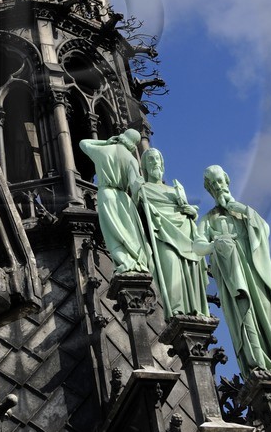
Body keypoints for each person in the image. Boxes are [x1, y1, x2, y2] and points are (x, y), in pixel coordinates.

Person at [199, 165, 271, 375]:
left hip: (255, 274)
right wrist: (216, 244)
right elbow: (197, 246)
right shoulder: (209, 219)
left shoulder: (244, 213)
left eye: (220, 181)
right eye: (213, 184)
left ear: (227, 181)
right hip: (234, 279)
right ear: (209, 189)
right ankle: (258, 364)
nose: (218, 187)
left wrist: (240, 208)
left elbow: (264, 230)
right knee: (245, 316)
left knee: (266, 313)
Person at [139, 148, 209, 316]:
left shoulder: (176, 190)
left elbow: (186, 212)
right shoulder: (142, 189)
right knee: (170, 268)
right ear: (144, 167)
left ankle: (195, 309)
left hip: (186, 233)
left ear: (162, 164)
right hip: (162, 233)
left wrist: (192, 213)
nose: (155, 162)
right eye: (150, 160)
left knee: (189, 275)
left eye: (157, 159)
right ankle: (177, 310)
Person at [80, 128, 152, 275]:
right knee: (127, 234)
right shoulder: (131, 159)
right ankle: (133, 262)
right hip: (123, 197)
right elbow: (134, 187)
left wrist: (106, 142)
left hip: (105, 194)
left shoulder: (104, 151)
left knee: (113, 236)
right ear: (134, 144)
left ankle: (124, 263)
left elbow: (83, 143)